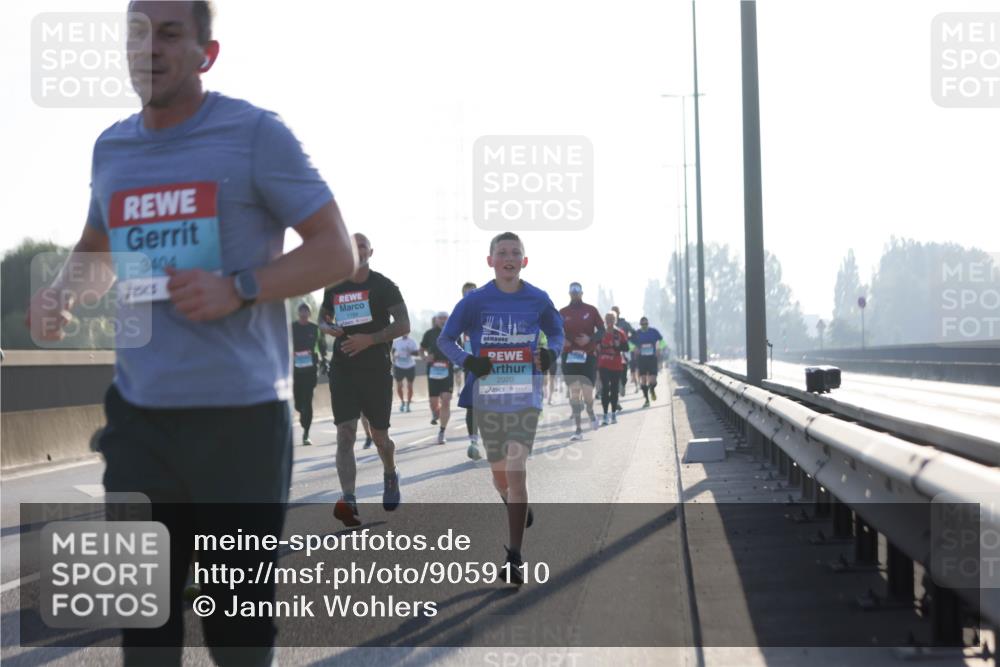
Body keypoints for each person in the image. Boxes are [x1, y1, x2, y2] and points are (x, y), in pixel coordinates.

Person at [27, 2, 357, 664]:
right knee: (142, 627)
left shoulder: (255, 134)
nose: (149, 49)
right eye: (137, 34)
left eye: (169, 34)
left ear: (207, 52)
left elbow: (336, 251)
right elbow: (99, 247)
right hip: (139, 420)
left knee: (236, 631)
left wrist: (239, 286)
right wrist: (62, 294)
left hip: (238, 423)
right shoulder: (112, 146)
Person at [438, 232, 563, 585]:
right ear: (490, 260)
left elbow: (557, 333)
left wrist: (551, 352)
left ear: (525, 261)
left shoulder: (538, 299)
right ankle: (513, 504)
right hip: (489, 399)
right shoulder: (475, 302)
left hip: (525, 397)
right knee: (500, 477)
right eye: (502, 252)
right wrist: (469, 361)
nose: (509, 258)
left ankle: (514, 556)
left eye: (515, 253)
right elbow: (444, 339)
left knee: (516, 465)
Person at [320, 233, 408, 527]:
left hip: (376, 371)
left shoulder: (384, 286)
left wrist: (370, 339)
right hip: (343, 369)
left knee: (379, 436)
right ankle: (349, 499)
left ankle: (390, 472)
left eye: (362, 245)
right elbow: (323, 319)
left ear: (371, 251)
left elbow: (403, 324)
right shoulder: (334, 285)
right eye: (352, 245)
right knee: (345, 433)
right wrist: (328, 327)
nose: (357, 250)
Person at [559, 282, 604, 441]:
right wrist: (563, 340)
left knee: (587, 395)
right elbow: (555, 332)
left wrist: (590, 338)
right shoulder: (562, 312)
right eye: (572, 292)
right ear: (569, 293)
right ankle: (578, 429)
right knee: (574, 392)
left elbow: (602, 331)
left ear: (582, 293)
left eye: (577, 292)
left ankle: (591, 413)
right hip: (570, 357)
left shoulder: (591, 310)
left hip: (588, 356)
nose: (575, 294)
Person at [292, 302, 328, 446]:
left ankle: (306, 432)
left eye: (306, 310)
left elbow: (322, 345)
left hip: (310, 369)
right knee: (298, 403)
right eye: (301, 310)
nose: (304, 313)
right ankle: (301, 411)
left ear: (310, 313)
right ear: (298, 313)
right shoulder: (291, 328)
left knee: (308, 400)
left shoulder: (315, 328)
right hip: (294, 370)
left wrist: (324, 358)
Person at [420, 312, 455, 445]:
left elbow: (461, 350)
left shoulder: (453, 332)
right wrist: (424, 357)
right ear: (436, 320)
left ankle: (442, 431)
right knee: (433, 402)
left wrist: (456, 359)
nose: (443, 320)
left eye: (445, 318)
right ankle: (436, 412)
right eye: (440, 318)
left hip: (448, 370)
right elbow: (421, 349)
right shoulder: (429, 333)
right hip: (433, 371)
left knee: (446, 400)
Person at [459, 282, 482, 460]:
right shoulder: (459, 313)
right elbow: (448, 338)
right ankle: (473, 441)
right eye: (466, 293)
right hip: (471, 365)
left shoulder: (485, 309)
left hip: (492, 364)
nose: (469, 296)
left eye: (472, 293)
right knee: (472, 405)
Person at [597, 312, 629, 424]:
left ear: (615, 320)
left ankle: (614, 414)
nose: (609, 321)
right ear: (604, 320)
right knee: (605, 389)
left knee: (614, 390)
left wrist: (617, 345)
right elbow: (594, 345)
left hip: (616, 365)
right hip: (603, 364)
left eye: (612, 319)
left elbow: (626, 348)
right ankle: (605, 415)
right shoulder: (601, 333)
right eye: (607, 319)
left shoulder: (620, 333)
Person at [631, 316, 665, 407]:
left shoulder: (653, 332)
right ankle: (646, 400)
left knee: (653, 381)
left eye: (646, 324)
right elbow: (629, 343)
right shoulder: (637, 333)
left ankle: (652, 389)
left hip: (652, 358)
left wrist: (659, 349)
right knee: (643, 380)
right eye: (642, 324)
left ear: (648, 324)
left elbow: (662, 341)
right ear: (640, 325)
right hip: (641, 359)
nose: (644, 326)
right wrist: (634, 349)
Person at [391, 333, 418, 412]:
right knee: (399, 386)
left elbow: (417, 353)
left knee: (410, 386)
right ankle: (402, 402)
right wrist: (394, 357)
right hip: (399, 366)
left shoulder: (412, 341)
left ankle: (408, 404)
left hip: (410, 366)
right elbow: (392, 352)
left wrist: (410, 352)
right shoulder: (396, 342)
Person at [611, 306, 634, 397]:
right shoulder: (607, 324)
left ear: (619, 313)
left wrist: (627, 339)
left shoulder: (624, 323)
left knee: (624, 369)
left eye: (616, 312)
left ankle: (623, 383)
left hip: (623, 349)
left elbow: (633, 332)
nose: (615, 313)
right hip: (611, 350)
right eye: (613, 312)